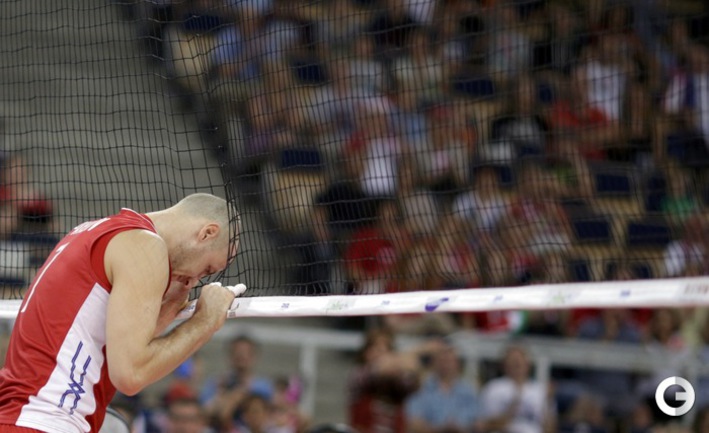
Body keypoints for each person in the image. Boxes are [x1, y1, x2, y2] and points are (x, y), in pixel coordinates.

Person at [0, 193, 242, 433]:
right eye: (207, 269)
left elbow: (101, 344)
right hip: (44, 422)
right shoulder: (145, 245)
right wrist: (206, 320)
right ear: (207, 233)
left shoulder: (97, 231)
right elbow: (130, 375)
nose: (195, 280)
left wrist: (165, 311)